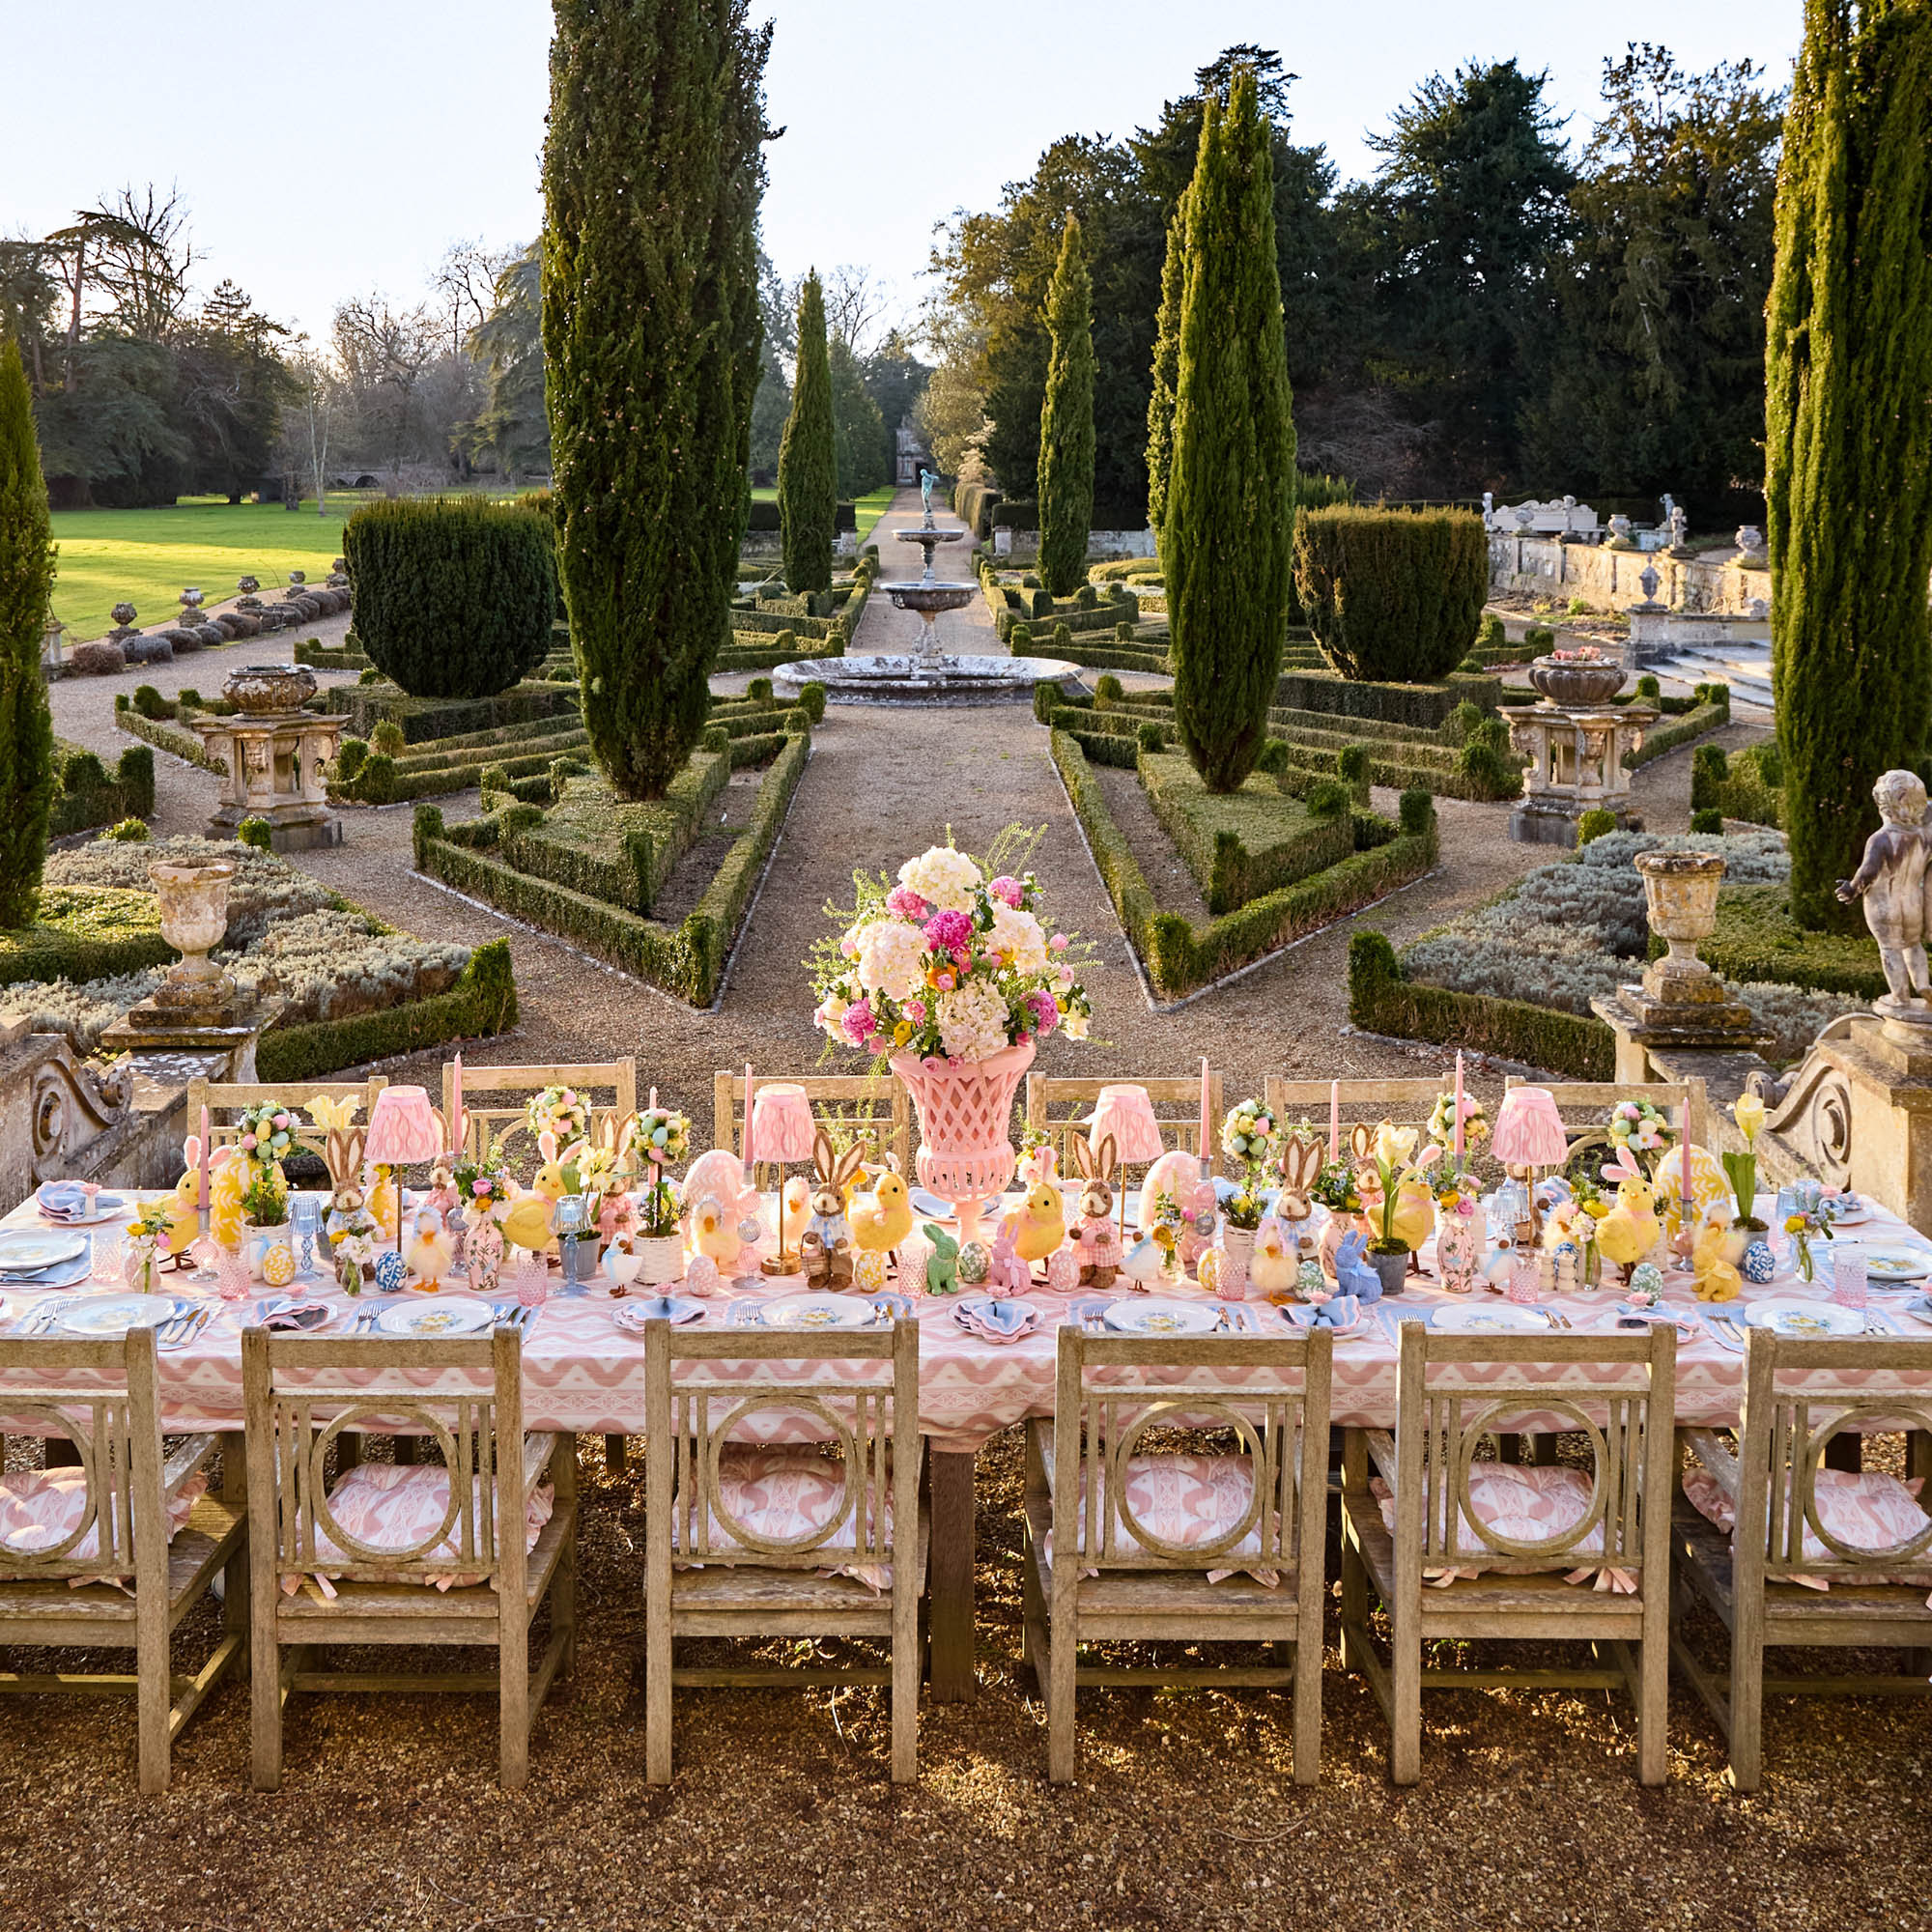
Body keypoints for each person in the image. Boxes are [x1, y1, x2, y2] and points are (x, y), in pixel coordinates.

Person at [1837, 767, 1932, 1006]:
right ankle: (1923, 984)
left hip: (1884, 905)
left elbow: (1868, 871)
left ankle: (1900, 998)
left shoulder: (1881, 838)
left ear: (1885, 804)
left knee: (1890, 949)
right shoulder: (1924, 837)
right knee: (1913, 945)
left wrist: (1851, 888)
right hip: (1914, 905)